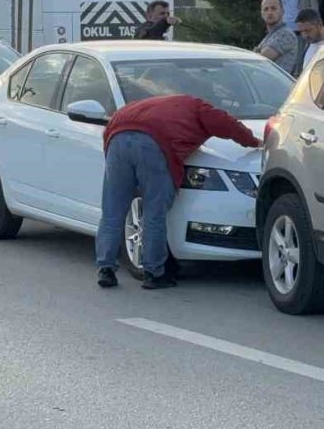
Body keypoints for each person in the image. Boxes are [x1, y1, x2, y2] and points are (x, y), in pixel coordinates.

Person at [96, 95, 261, 290]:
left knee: (112, 211)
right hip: (153, 144)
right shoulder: (197, 106)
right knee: (154, 213)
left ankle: (105, 269)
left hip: (117, 139)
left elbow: (108, 132)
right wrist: (253, 141)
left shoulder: (141, 105)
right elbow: (226, 124)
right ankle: (154, 273)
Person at [255, 0, 299, 73]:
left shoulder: (286, 34)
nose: (270, 12)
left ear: (282, 11)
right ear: (261, 14)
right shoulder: (268, 37)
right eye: (266, 9)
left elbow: (260, 60)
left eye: (273, 8)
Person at [291, 9, 324, 78]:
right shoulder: (304, 46)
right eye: (301, 32)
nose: (305, 35)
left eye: (308, 31)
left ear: (319, 24)